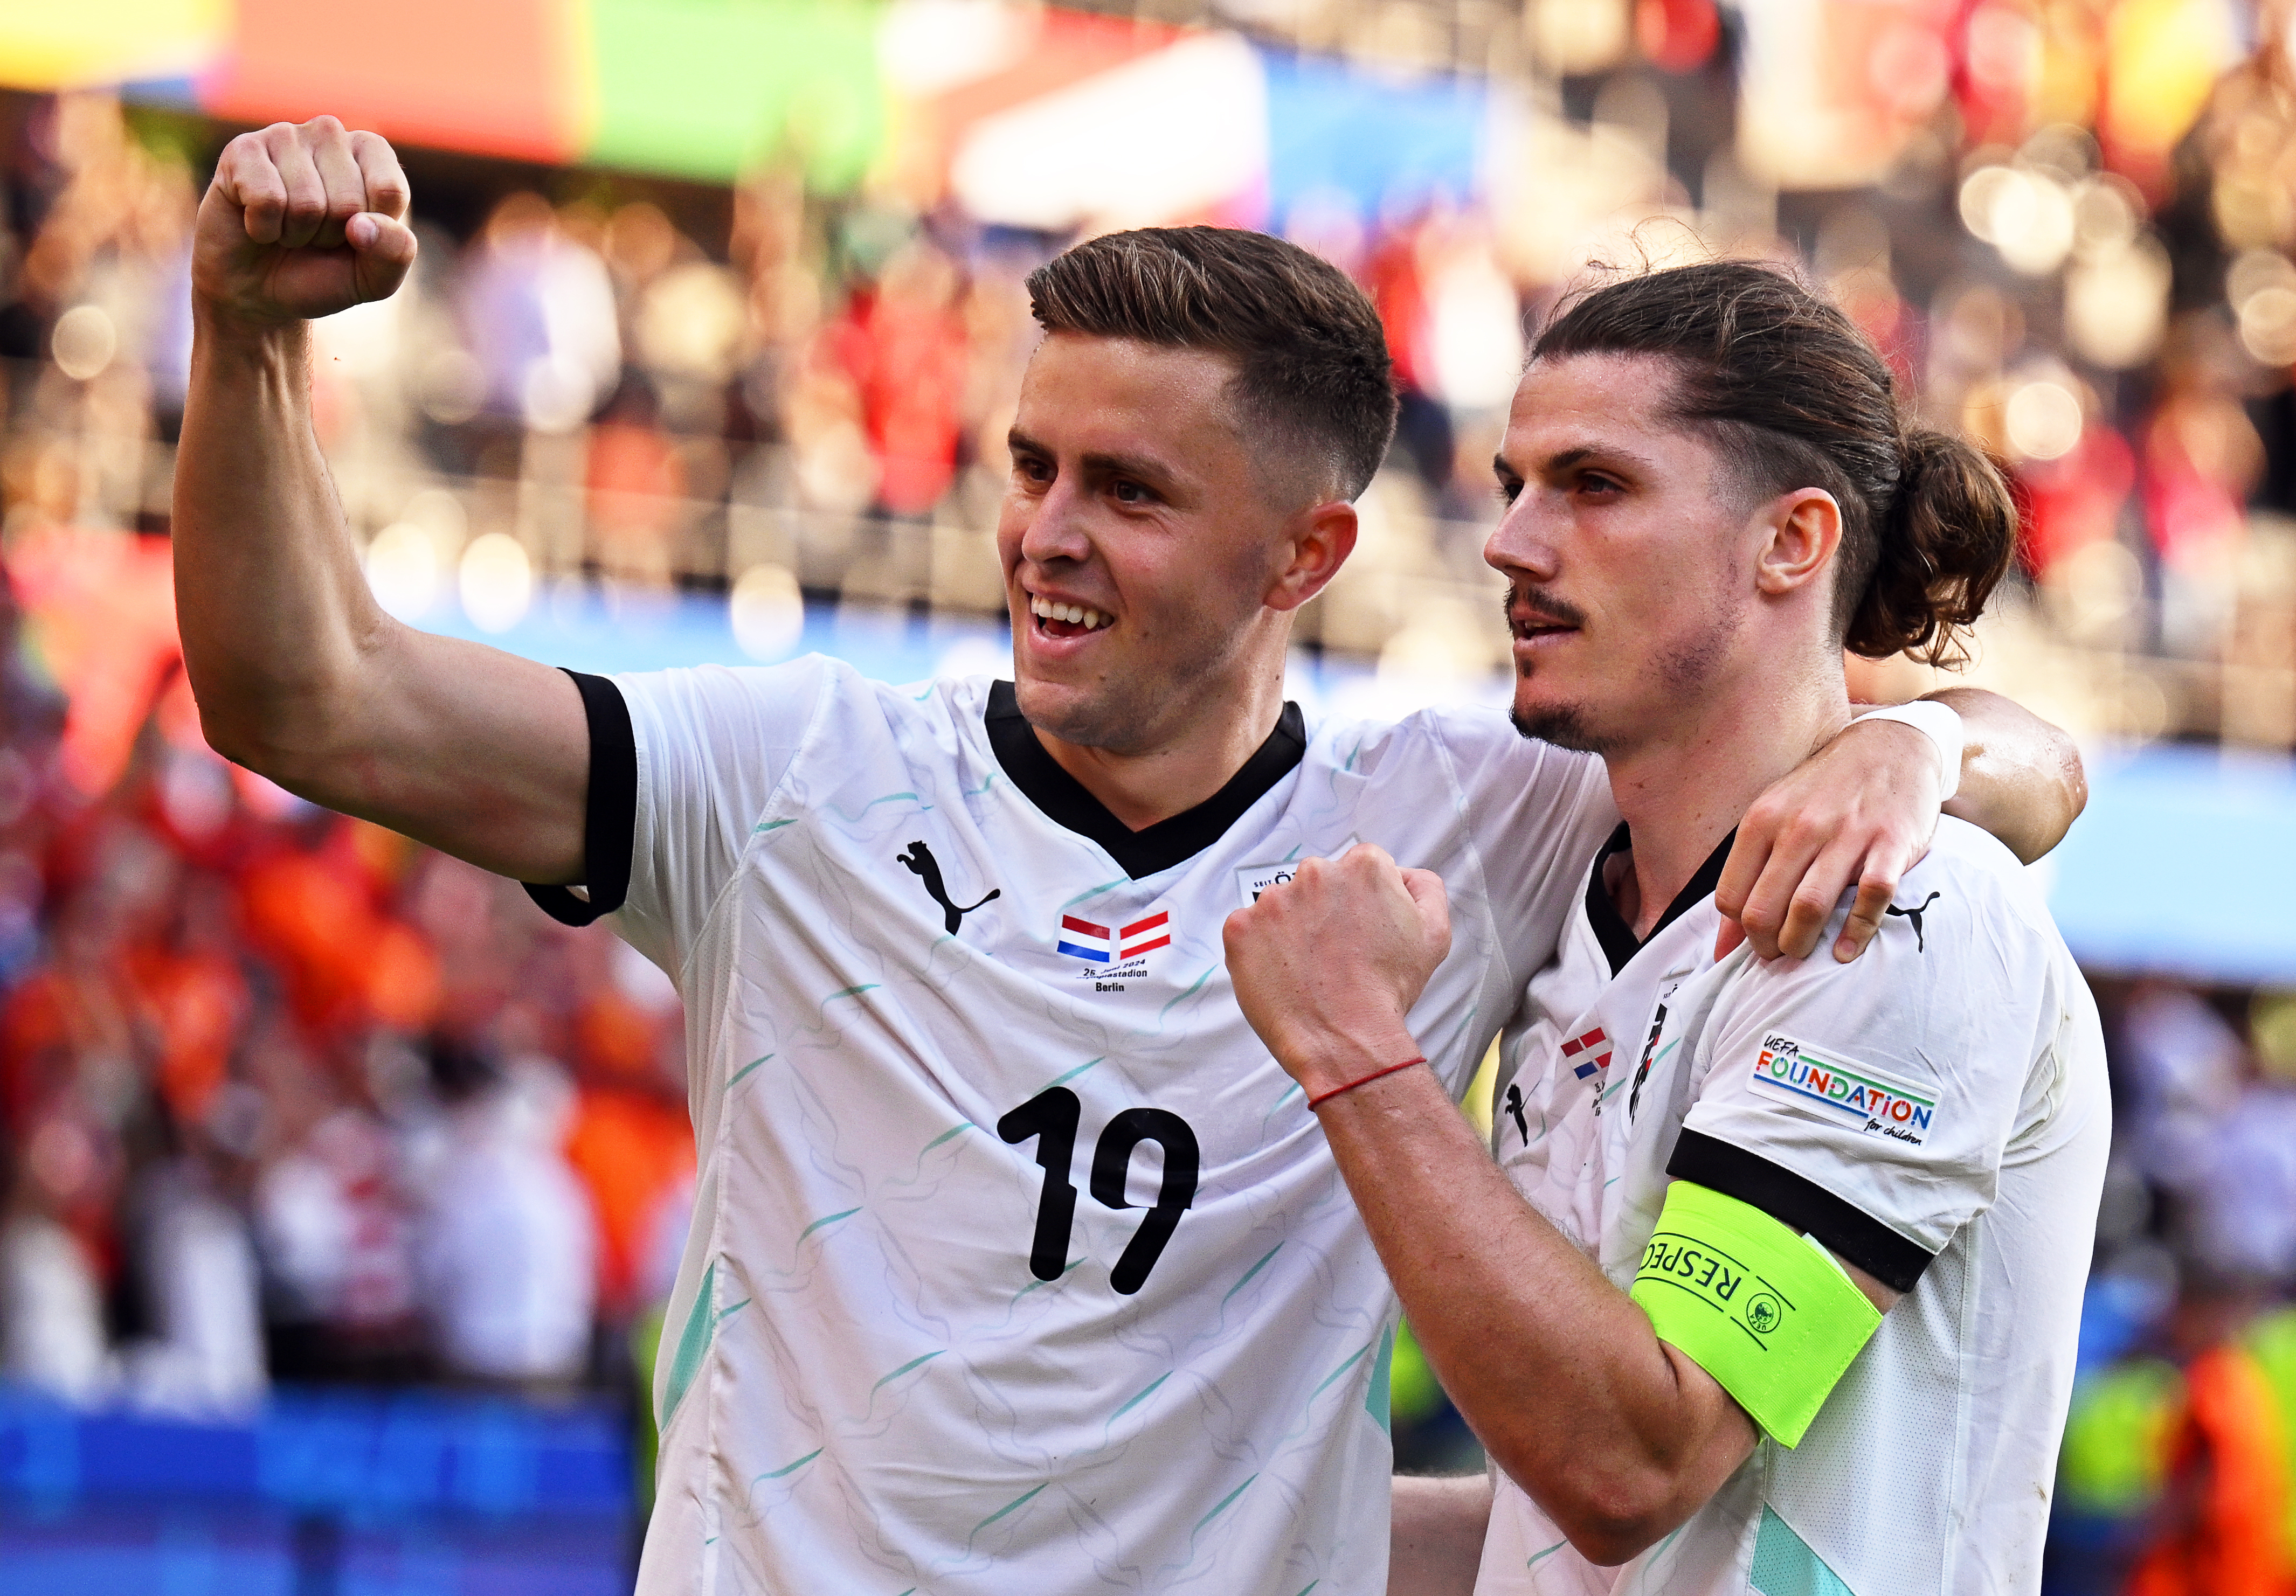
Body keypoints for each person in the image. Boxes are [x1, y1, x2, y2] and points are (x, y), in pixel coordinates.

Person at [175, 120, 2082, 1594]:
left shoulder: (1466, 819)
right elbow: (315, 698)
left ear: (1305, 559)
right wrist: (245, 340)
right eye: (1031, 467)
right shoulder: (790, 779)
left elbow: (1887, 767)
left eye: (1131, 490)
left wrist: (1925, 745)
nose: (1046, 537)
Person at [1222, 261, 2111, 1596]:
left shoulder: (1907, 911)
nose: (1512, 541)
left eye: (1594, 485)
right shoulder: (1587, 888)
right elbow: (1564, 1541)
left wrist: (1356, 1049)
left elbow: (1635, 1468)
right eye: (1516, 484)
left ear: (1791, 542)